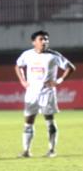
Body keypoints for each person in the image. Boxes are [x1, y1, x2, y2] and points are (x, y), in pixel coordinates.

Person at [15, 30, 76, 158]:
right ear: (34, 42)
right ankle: (26, 151)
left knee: (49, 120)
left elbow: (70, 67)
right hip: (31, 92)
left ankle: (52, 150)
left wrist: (58, 81)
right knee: (28, 121)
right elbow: (18, 65)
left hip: (47, 92)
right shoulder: (27, 54)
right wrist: (22, 80)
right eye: (41, 39)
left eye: (46, 39)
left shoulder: (54, 55)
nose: (44, 42)